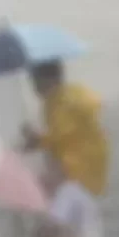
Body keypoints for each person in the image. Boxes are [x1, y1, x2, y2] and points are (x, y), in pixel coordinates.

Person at [22, 61, 109, 198]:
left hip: (77, 169)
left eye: (35, 80)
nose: (34, 87)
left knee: (40, 193)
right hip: (88, 166)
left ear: (49, 79)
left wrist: (36, 140)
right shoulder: (67, 95)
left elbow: (60, 135)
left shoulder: (61, 101)